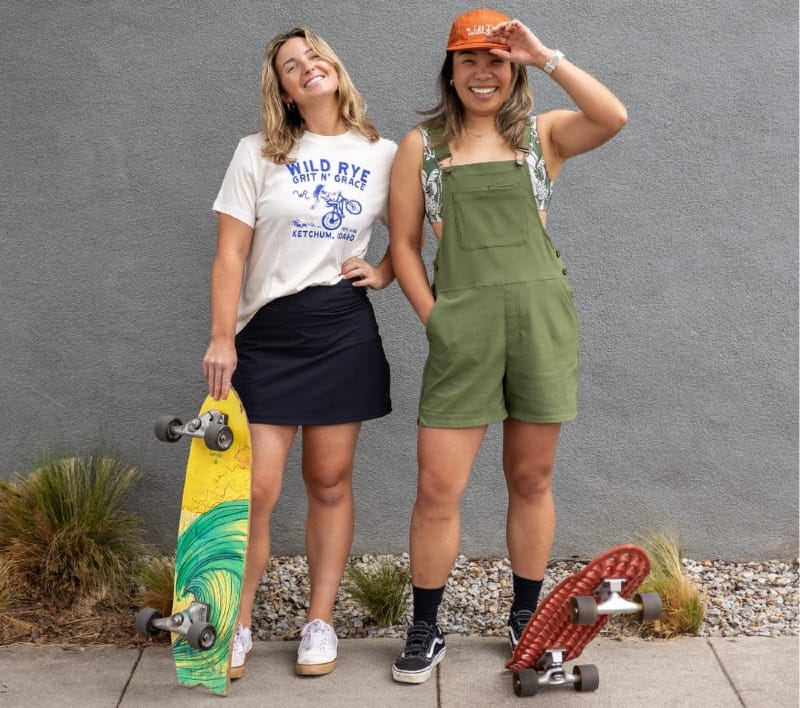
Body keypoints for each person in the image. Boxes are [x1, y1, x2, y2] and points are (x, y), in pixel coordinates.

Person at [388, 8, 628, 683]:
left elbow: (613, 116)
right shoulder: (423, 146)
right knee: (438, 486)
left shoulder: (541, 136)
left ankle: (527, 616)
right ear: (451, 71)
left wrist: (545, 55)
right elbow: (403, 246)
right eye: (470, 60)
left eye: (496, 59)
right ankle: (426, 625)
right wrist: (436, 318)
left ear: (511, 67)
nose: (483, 72)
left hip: (539, 321)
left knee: (531, 479)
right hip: (462, 327)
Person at [203, 26, 396, 679]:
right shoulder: (257, 152)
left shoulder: (384, 153)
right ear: (283, 90)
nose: (307, 67)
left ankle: (319, 622)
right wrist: (222, 335)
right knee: (255, 488)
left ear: (335, 68)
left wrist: (388, 269)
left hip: (341, 327)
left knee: (330, 482)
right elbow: (230, 251)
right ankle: (237, 621)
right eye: (292, 66)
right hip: (268, 334)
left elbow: (424, 229)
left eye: (314, 56)